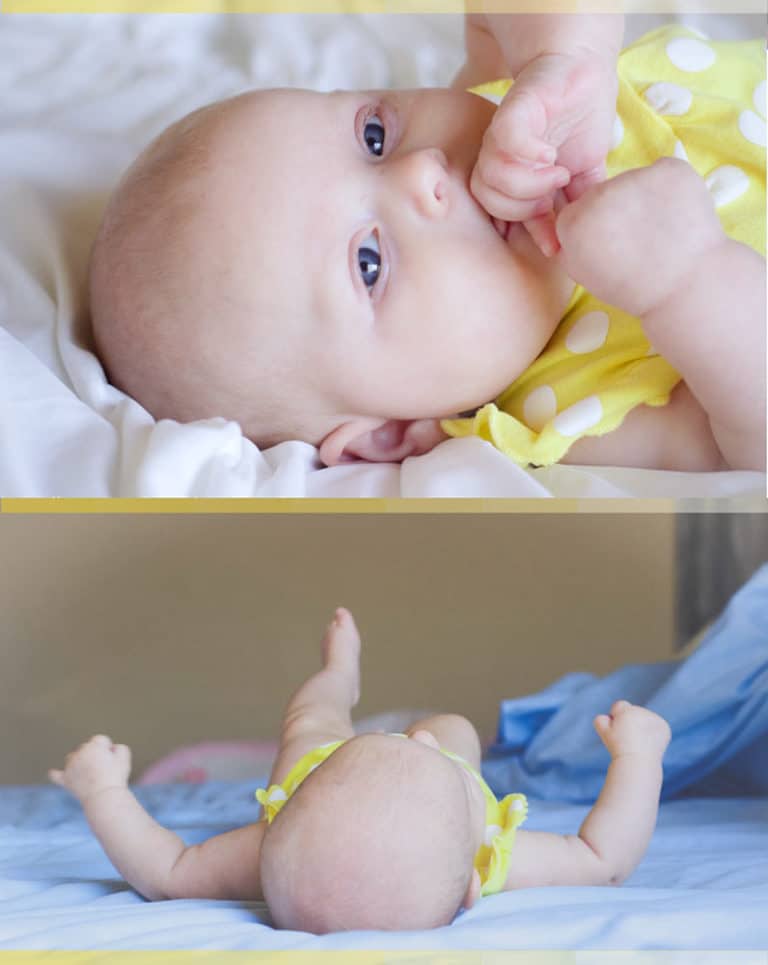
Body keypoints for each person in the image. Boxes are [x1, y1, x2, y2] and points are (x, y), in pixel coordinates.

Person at [88, 13, 766, 473]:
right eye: (368, 262)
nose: (422, 171)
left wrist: (557, 57)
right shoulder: (565, 414)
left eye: (373, 136)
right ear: (387, 434)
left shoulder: (510, 109)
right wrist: (690, 280)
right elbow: (748, 440)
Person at [50, 608, 671, 933]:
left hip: (324, 775)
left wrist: (102, 790)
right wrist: (639, 759)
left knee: (310, 718)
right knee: (450, 723)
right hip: (380, 778)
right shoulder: (490, 853)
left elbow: (162, 872)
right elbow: (603, 859)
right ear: (470, 889)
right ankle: (392, 719)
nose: (410, 736)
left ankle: (338, 680)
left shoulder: (267, 851)